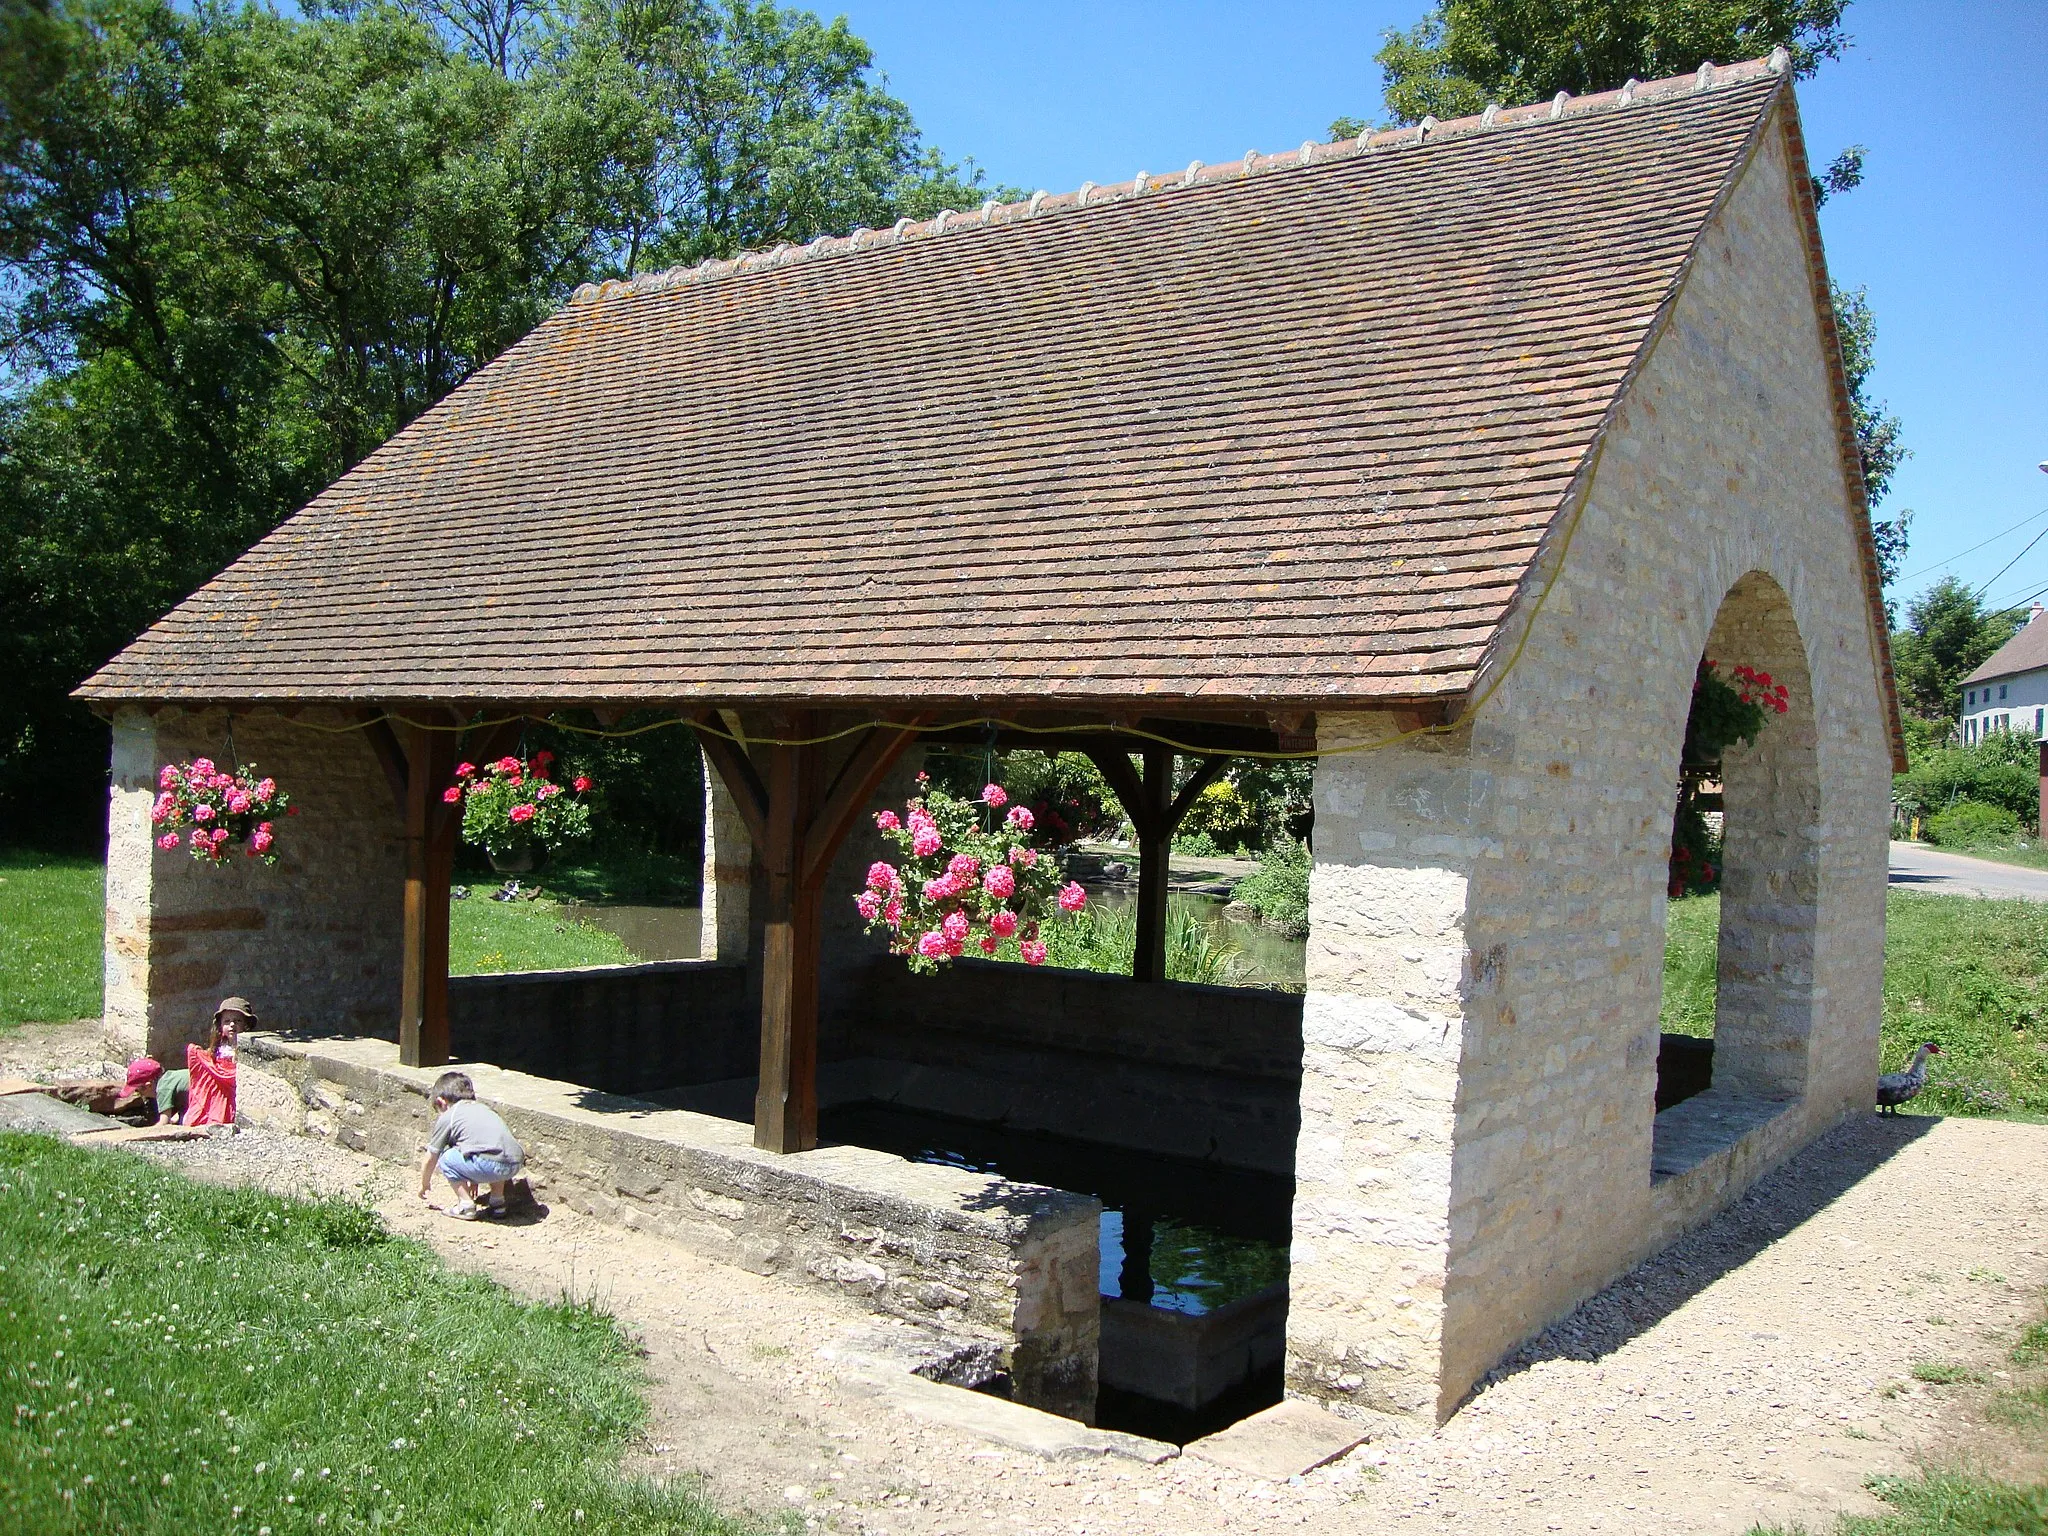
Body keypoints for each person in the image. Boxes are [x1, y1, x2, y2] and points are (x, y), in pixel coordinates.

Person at [418, 1072, 525, 1220]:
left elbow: (431, 1156)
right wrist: (473, 1178)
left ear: (441, 1102)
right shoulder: (484, 1109)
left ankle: (466, 1205)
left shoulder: (450, 1115)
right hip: (515, 1162)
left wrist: (424, 1184)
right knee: (496, 1152)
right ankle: (497, 1203)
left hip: (489, 1163)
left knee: (446, 1156)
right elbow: (480, 1143)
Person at [156, 998, 247, 1127]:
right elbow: (211, 1063)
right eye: (227, 1021)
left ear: (246, 1025)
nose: (232, 1024)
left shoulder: (245, 1051)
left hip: (230, 1089)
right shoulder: (219, 1047)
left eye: (237, 1021)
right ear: (220, 1026)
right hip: (217, 1089)